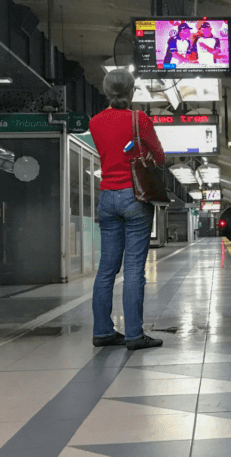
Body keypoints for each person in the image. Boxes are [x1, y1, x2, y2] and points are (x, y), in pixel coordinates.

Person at [88, 69, 166, 350]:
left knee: (106, 268)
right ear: (132, 91)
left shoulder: (95, 122)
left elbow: (108, 155)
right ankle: (134, 334)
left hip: (106, 197)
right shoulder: (139, 119)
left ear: (107, 92)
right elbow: (159, 157)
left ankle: (102, 331)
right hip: (134, 197)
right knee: (134, 268)